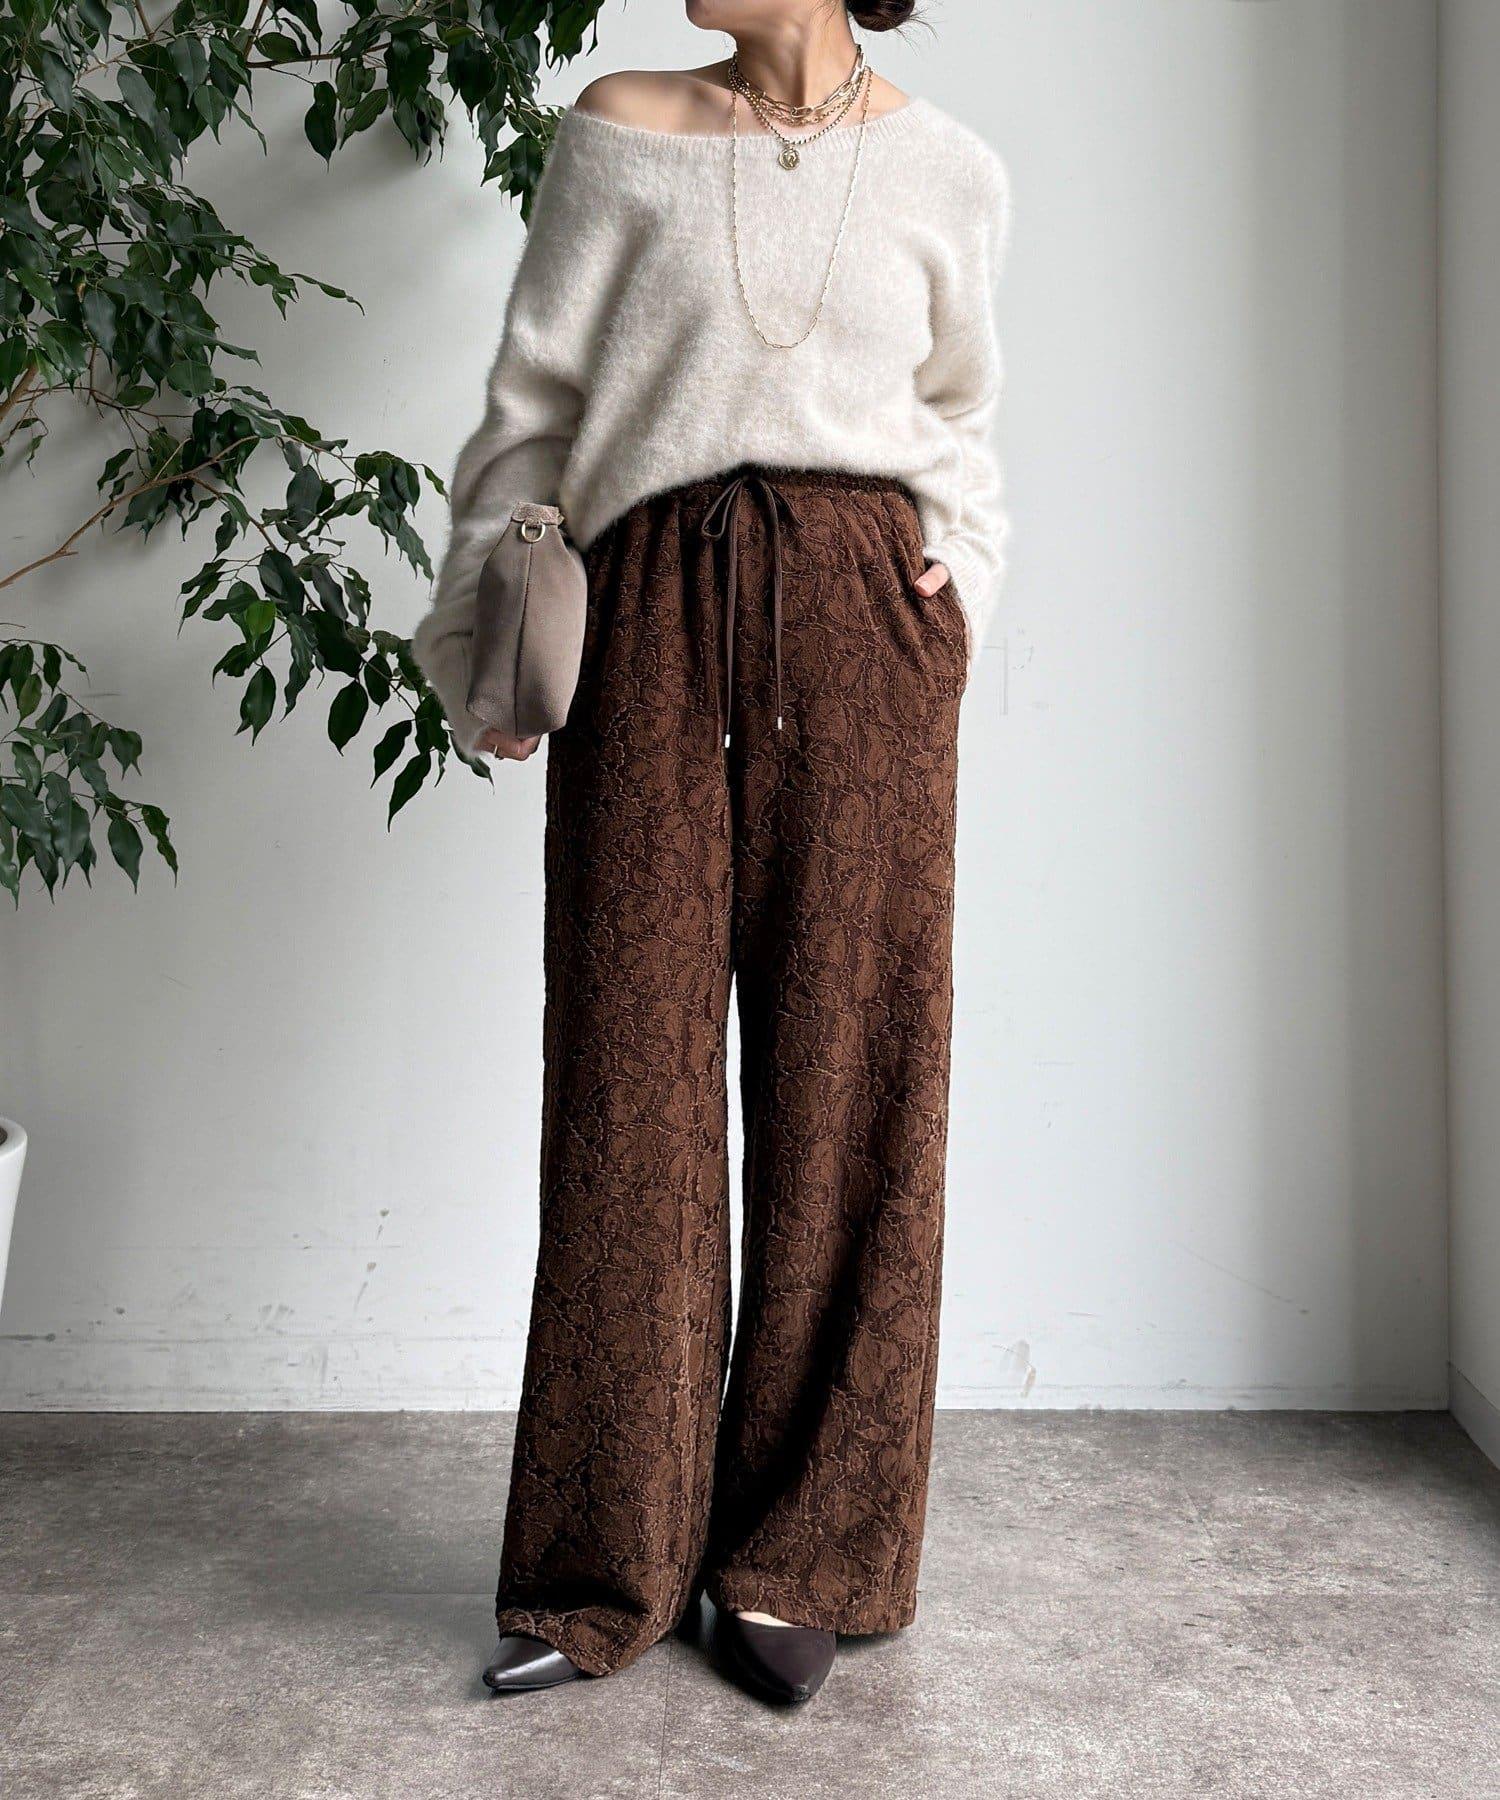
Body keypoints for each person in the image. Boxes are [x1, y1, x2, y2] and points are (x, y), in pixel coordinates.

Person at [414, 0, 1010, 1708]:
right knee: (628, 1080)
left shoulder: (951, 169)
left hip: (863, 627)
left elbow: (963, 421)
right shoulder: (620, 128)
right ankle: (599, 1564)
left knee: (854, 1081)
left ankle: (804, 1555)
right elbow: (529, 411)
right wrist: (485, 648)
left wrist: (958, 589)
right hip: (650, 612)